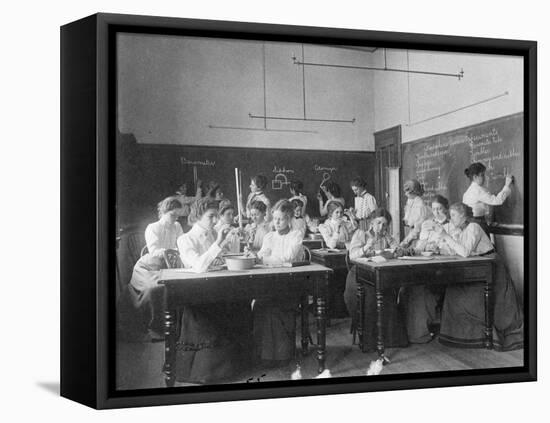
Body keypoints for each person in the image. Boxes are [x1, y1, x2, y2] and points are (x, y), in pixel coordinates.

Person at [175, 197, 251, 383]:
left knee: (242, 302)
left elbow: (220, 260)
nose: (216, 220)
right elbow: (200, 267)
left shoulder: (211, 235)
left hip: (216, 290)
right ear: (197, 216)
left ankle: (236, 363)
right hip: (197, 295)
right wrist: (218, 243)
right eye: (211, 217)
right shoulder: (185, 239)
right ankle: (209, 370)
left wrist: (236, 242)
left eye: (217, 216)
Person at [431, 202, 523, 351]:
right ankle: (464, 335)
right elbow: (458, 250)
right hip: (479, 266)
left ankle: (477, 335)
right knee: (453, 290)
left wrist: (446, 237)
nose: (451, 218)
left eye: (453, 215)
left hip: (491, 268)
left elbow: (465, 252)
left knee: (458, 293)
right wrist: (442, 243)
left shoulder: (473, 227)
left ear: (463, 215)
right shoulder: (462, 229)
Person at [343, 208, 408, 351]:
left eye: (385, 225)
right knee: (371, 295)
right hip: (359, 275)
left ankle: (391, 339)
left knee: (387, 293)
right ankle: (370, 341)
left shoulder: (387, 236)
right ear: (372, 222)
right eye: (378, 223)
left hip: (379, 274)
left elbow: (398, 250)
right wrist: (367, 247)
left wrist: (397, 250)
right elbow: (353, 256)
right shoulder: (361, 234)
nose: (381, 227)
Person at [120, 197, 184, 338]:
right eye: (172, 215)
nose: (175, 218)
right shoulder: (153, 227)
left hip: (169, 264)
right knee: (155, 289)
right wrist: (173, 250)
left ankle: (177, 325)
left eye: (177, 215)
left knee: (177, 285)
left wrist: (179, 250)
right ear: (164, 211)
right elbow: (154, 251)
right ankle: (156, 328)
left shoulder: (177, 226)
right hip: (148, 266)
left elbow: (182, 243)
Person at [254, 200, 305, 363]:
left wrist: (266, 259)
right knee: (261, 305)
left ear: (289, 219)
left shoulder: (296, 235)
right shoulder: (269, 236)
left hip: (290, 282)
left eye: (280, 219)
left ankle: (282, 354)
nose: (276, 223)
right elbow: (262, 255)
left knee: (274, 306)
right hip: (271, 281)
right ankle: (265, 354)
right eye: (274, 219)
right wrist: (259, 257)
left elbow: (287, 257)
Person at [400, 195, 453, 343]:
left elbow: (453, 248)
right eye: (434, 209)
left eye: (440, 209)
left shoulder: (451, 225)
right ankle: (412, 330)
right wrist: (420, 247)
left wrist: (439, 247)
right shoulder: (427, 224)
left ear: (446, 210)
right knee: (408, 288)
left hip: (446, 267)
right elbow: (420, 246)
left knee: (420, 289)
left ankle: (420, 331)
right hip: (428, 263)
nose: (436, 213)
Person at [462, 162, 514, 235]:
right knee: (485, 245)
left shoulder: (469, 191)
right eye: (482, 175)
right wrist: (507, 185)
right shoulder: (477, 190)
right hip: (478, 223)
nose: (485, 177)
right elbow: (497, 201)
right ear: (475, 177)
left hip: (470, 224)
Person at [399, 179, 432, 248]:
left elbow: (417, 228)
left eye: (407, 192)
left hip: (418, 236)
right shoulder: (411, 201)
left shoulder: (420, 205)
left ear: (413, 192)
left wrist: (406, 241)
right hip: (410, 233)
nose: (405, 194)